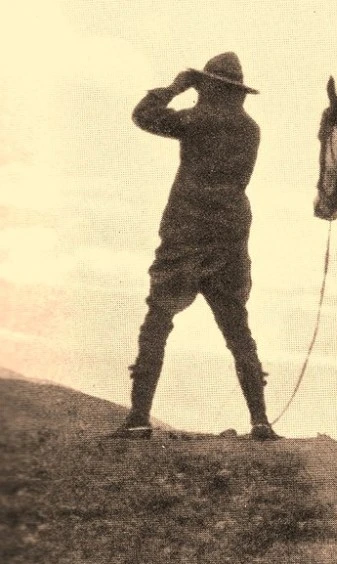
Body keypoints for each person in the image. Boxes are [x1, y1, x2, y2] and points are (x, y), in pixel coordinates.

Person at [111, 52, 280, 440]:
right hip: (231, 232)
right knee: (237, 327)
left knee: (157, 321)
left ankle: (138, 418)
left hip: (186, 231)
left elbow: (143, 115)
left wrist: (176, 87)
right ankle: (260, 422)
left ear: (208, 86)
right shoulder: (250, 129)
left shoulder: (197, 120)